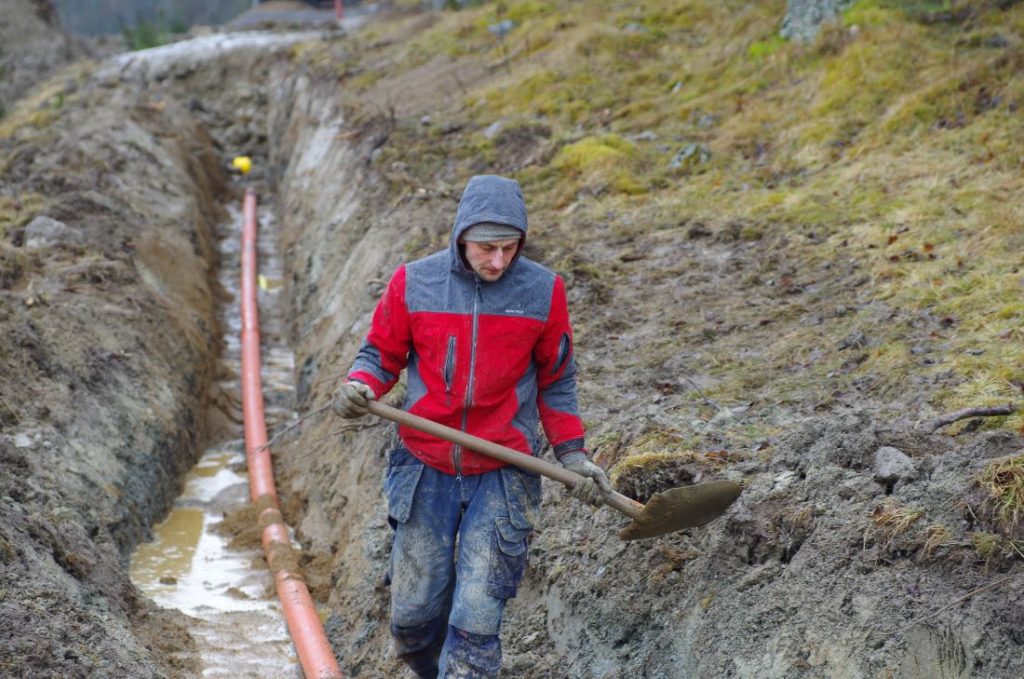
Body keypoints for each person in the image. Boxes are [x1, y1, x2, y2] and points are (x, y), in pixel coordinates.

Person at [334, 174, 612, 678]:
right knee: (413, 618)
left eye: (510, 248)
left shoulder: (543, 291)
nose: (499, 261)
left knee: (476, 621)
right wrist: (361, 385)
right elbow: (380, 355)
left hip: (505, 468)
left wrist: (573, 455)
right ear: (460, 236)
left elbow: (557, 382)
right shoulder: (414, 282)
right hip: (424, 465)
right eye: (487, 247)